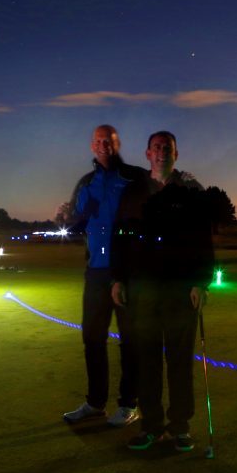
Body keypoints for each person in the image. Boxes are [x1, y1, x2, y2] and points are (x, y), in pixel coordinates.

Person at [111, 130, 215, 451]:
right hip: (143, 288)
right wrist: (118, 278)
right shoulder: (132, 193)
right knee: (148, 361)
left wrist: (202, 280)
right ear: (147, 154)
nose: (161, 153)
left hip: (180, 288)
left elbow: (202, 240)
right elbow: (120, 238)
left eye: (167, 148)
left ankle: (180, 426)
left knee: (180, 361)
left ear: (176, 154)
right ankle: (152, 426)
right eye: (156, 148)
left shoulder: (191, 194)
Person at [62, 124, 148, 427]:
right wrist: (69, 219)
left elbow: (147, 216)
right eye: (98, 141)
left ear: (117, 143)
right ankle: (96, 402)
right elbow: (76, 222)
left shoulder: (135, 177)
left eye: (108, 141)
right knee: (93, 339)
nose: (103, 146)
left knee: (130, 340)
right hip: (96, 272)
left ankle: (129, 404)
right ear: (92, 146)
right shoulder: (86, 182)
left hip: (126, 271)